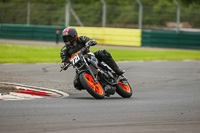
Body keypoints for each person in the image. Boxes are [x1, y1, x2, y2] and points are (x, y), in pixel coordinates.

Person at [60, 27, 125, 90]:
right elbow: (64, 60)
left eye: (69, 37)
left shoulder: (81, 39)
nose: (67, 40)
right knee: (77, 84)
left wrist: (90, 42)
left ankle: (117, 70)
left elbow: (91, 41)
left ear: (74, 36)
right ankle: (96, 85)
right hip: (80, 67)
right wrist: (64, 64)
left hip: (90, 56)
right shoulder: (64, 50)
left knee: (103, 52)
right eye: (65, 38)